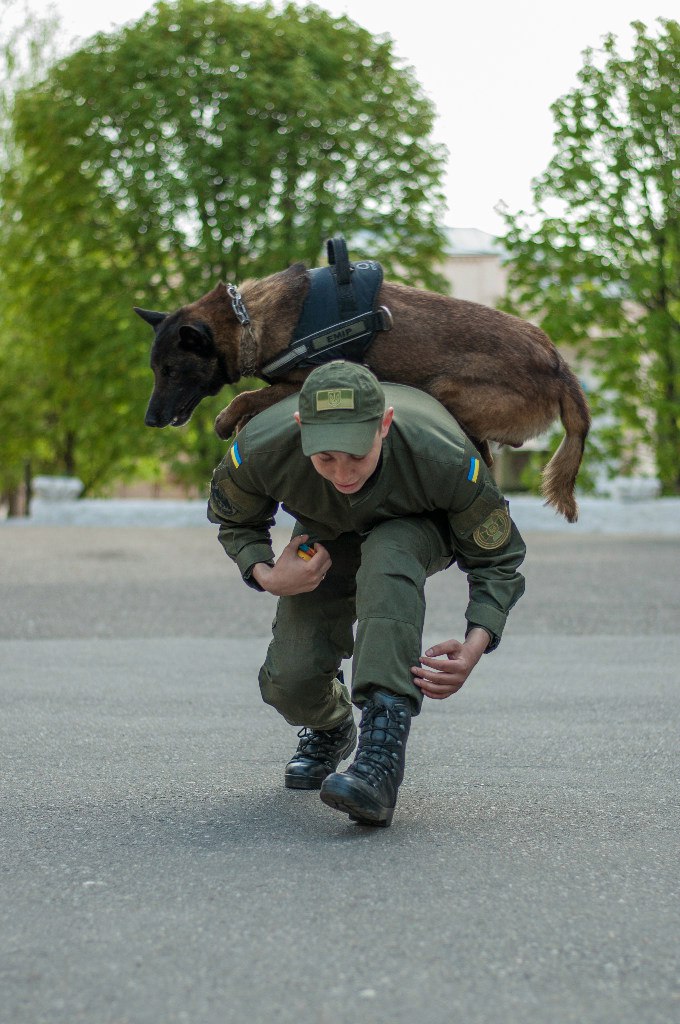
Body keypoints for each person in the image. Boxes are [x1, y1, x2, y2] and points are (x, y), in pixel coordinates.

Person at [208, 361, 526, 828]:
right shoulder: (261, 447)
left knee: (390, 553)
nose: (343, 473)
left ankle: (380, 758)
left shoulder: (444, 454)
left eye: (357, 454)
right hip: (327, 532)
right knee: (289, 683)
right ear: (301, 427)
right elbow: (235, 519)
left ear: (384, 424)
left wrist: (475, 644)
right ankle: (330, 727)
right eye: (325, 458)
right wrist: (268, 574)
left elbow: (497, 559)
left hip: (416, 527)